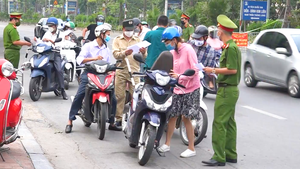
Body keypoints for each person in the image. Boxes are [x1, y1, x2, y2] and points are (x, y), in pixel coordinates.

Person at [65, 23, 120, 133]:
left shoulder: (105, 48)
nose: (108, 36)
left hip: (103, 74)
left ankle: (112, 122)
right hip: (89, 73)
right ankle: (70, 120)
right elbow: (79, 60)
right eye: (107, 34)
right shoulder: (88, 46)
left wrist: (112, 69)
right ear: (100, 34)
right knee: (80, 95)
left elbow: (108, 62)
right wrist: (93, 58)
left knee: (113, 96)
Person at [202, 14, 241, 166]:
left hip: (226, 91)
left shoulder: (231, 48)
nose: (217, 31)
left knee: (219, 123)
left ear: (221, 31)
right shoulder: (231, 47)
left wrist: (213, 70)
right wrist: (214, 70)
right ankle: (231, 154)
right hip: (230, 90)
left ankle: (219, 156)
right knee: (230, 123)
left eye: (218, 28)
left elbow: (232, 70)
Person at [158, 27, 201, 158]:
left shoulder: (188, 49)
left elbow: (195, 70)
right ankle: (166, 144)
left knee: (186, 117)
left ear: (175, 39)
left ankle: (191, 148)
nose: (167, 44)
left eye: (168, 41)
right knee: (172, 116)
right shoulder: (172, 53)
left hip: (191, 88)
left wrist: (180, 76)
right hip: (178, 88)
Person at [112, 19, 147, 128]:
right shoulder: (117, 40)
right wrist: (124, 53)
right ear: (123, 29)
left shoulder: (138, 40)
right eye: (127, 30)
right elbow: (115, 54)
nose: (129, 32)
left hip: (134, 71)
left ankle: (135, 119)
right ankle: (118, 119)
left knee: (136, 96)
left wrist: (143, 52)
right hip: (121, 70)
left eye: (131, 30)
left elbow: (144, 57)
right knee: (119, 96)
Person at [41, 17, 68, 100]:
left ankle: (62, 90)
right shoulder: (47, 33)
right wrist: (44, 40)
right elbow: (43, 41)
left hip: (56, 53)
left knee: (59, 70)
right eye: (49, 25)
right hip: (46, 53)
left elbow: (62, 44)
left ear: (56, 26)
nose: (50, 27)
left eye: (51, 25)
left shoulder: (61, 34)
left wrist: (54, 43)